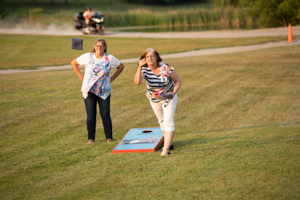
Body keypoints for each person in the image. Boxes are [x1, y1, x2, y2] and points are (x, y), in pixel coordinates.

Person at [71, 38, 124, 144]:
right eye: (97, 45)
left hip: (104, 91)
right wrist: (81, 76)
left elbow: (121, 66)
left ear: (104, 47)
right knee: (91, 114)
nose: (99, 47)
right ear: (94, 46)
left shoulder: (109, 58)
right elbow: (74, 63)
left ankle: (109, 138)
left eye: (101, 46)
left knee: (105, 114)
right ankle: (91, 139)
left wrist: (112, 78)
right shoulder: (88, 56)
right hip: (89, 90)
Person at [134, 48, 181, 156]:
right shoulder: (144, 69)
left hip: (169, 97)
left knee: (168, 121)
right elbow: (137, 82)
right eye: (147, 57)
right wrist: (140, 67)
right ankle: (169, 144)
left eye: (152, 56)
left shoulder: (165, 67)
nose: (150, 58)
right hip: (154, 99)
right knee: (162, 122)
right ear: (144, 59)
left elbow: (178, 81)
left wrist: (173, 93)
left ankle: (165, 150)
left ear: (156, 57)